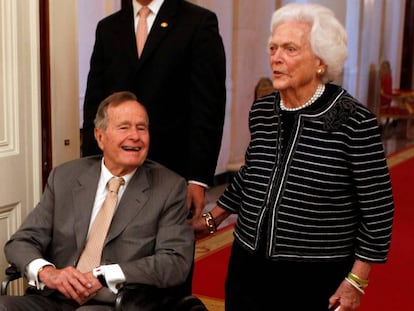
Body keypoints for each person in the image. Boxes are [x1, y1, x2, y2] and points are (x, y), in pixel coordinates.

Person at [193, 3, 394, 311]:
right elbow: (252, 174)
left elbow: (378, 208)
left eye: (290, 49)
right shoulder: (263, 111)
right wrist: (212, 218)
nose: (276, 57)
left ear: (321, 62)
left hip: (315, 274)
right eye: (273, 47)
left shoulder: (353, 120)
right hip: (247, 264)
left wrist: (356, 280)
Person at [0, 91, 194, 310]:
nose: (135, 136)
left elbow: (175, 262)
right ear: (100, 137)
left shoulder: (169, 187)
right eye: (124, 127)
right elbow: (21, 242)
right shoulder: (65, 177)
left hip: (116, 303)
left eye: (141, 128)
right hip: (55, 298)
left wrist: (103, 275)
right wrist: (48, 273)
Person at [81, 0, 227, 221]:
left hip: (172, 170)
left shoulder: (198, 22)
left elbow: (208, 107)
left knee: (168, 250)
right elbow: (95, 104)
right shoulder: (108, 27)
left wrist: (197, 178)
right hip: (114, 172)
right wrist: (92, 167)